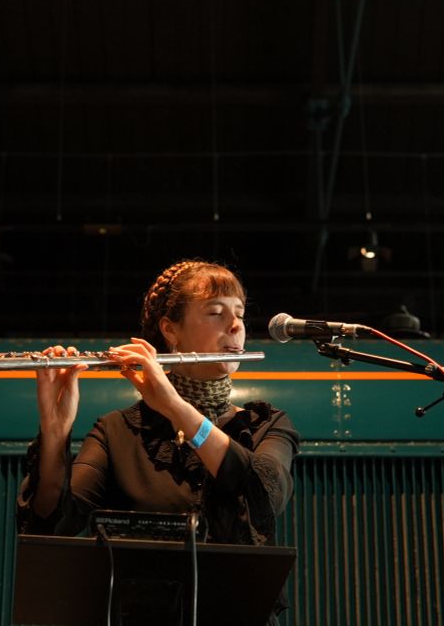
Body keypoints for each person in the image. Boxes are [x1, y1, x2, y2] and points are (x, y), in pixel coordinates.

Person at [15, 260, 299, 624]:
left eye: (240, 313)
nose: (235, 325)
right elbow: (52, 527)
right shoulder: (118, 431)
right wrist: (55, 431)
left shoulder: (266, 425)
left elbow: (264, 493)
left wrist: (174, 406)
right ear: (171, 330)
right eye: (216, 312)